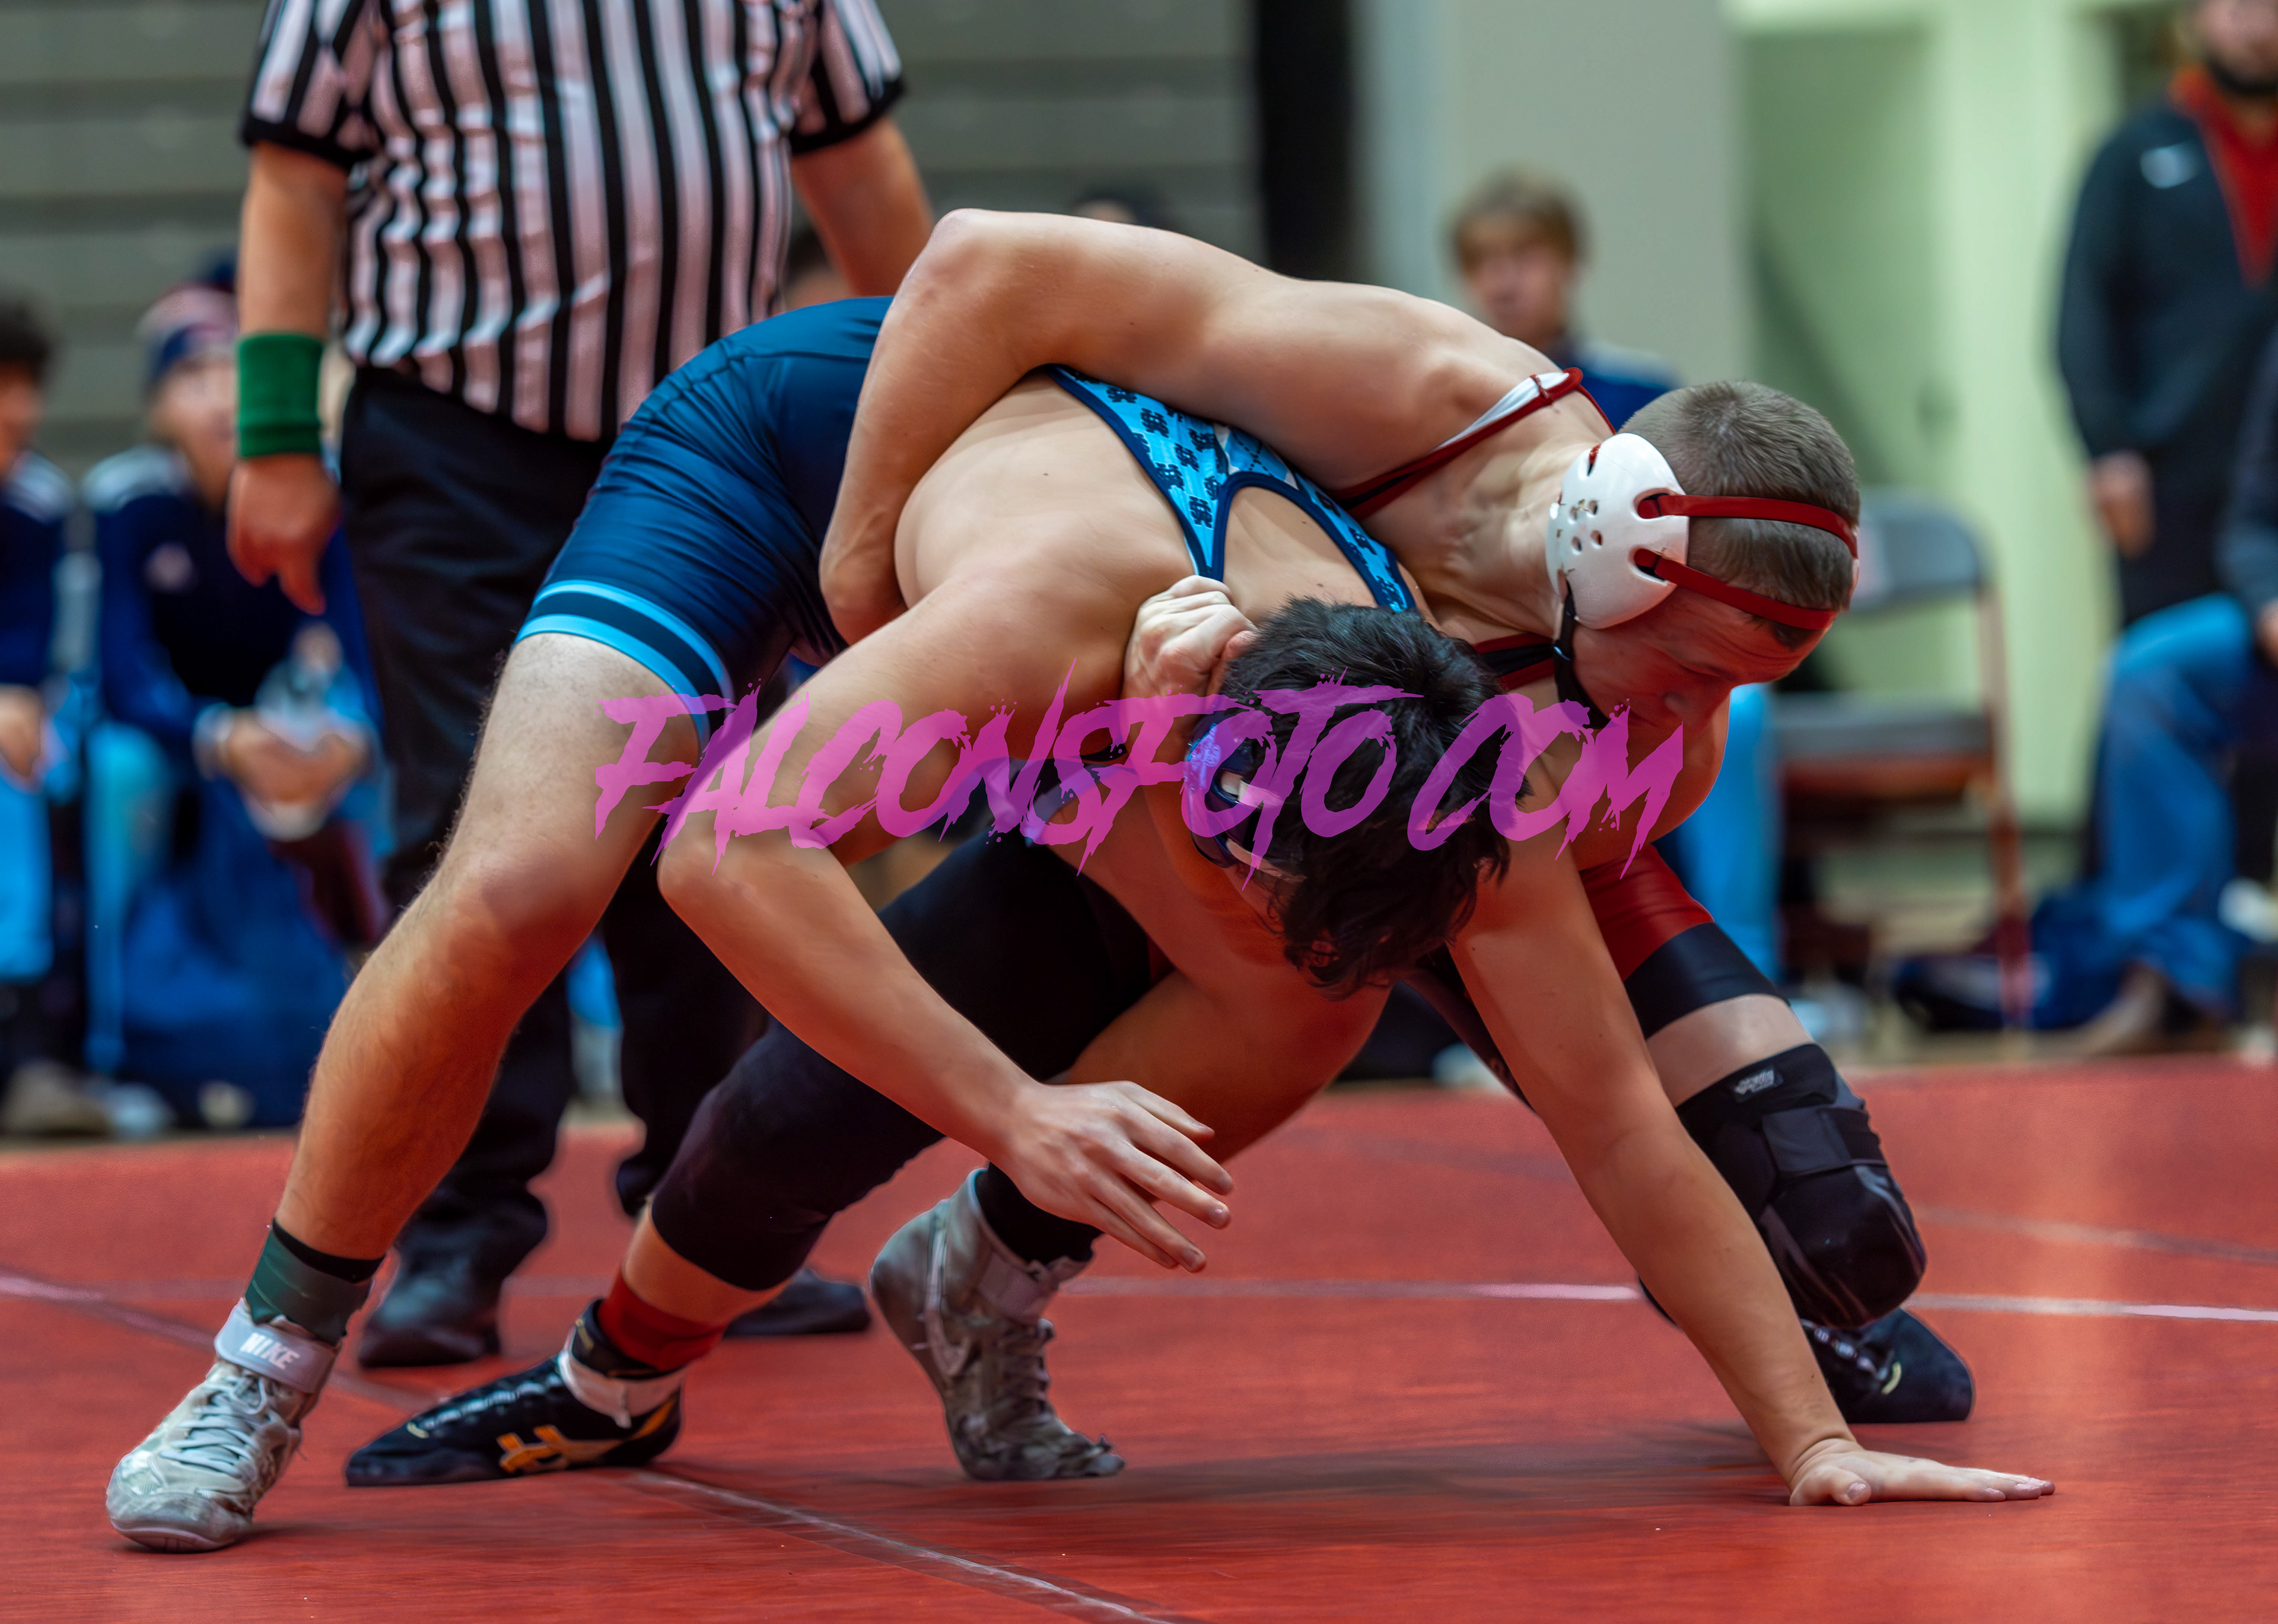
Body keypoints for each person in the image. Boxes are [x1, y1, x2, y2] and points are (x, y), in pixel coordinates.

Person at [106, 219, 2019, 1552]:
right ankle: (265, 1360)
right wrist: (1016, 1102)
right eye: (1687, 671)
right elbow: (723, 851)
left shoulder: (1483, 769)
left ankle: (980, 1272)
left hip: (1202, 654)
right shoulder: (1141, 564)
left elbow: (1616, 1120)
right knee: (527, 882)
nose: (1685, 729)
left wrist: (1810, 1438)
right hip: (796, 465)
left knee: (1309, 989)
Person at [227, 0, 932, 1363]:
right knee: (475, 832)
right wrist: (273, 434)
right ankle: (453, 1232)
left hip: (712, 453)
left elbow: (855, 164)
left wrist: (940, 405)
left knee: (710, 819)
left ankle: (708, 1208)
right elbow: (295, 178)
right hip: (454, 437)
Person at [2029, 0, 2278, 1048]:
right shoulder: (2138, 153)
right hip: (2177, 481)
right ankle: (2152, 957)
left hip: (2265, 478)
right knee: (2155, 683)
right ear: (2192, 20)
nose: (2257, 23)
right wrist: (2109, 448)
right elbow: (2080, 310)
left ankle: (2246, 923)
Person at [81, 278, 382, 1126]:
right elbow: (121, 677)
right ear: (157, 409)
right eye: (193, 377)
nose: (219, 395)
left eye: (234, 373)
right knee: (118, 771)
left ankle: (401, 1032)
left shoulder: (318, 493)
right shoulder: (128, 501)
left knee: (397, 769)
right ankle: (110, 1043)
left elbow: (365, 652)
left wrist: (351, 739)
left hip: (292, 727)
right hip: (183, 733)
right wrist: (217, 737)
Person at [0, 296, 100, 1136]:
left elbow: (31, 660)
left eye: (27, 387)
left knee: (24, 763)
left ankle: (33, 1047)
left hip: (18, 729)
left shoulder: (36, 505)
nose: (20, 410)